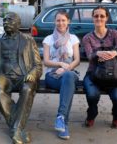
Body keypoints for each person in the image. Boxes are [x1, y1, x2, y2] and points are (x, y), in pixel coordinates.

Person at [0, 12, 42, 144]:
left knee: (27, 90)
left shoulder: (28, 40)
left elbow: (38, 64)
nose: (6, 22)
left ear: (19, 24)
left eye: (10, 20)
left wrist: (33, 74)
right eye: (4, 20)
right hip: (4, 75)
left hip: (23, 76)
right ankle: (17, 128)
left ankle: (16, 129)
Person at [82, 6, 117, 128]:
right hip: (93, 74)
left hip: (113, 75)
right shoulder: (87, 38)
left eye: (102, 16)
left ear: (106, 18)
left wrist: (114, 53)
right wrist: (97, 54)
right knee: (92, 95)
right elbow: (89, 56)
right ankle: (92, 114)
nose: (99, 18)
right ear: (92, 18)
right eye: (96, 16)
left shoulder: (114, 34)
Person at [43, 10, 80, 140]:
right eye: (58, 20)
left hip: (69, 73)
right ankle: (63, 123)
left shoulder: (73, 38)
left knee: (69, 77)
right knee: (68, 84)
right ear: (54, 22)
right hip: (52, 76)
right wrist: (59, 64)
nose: (61, 23)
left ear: (68, 21)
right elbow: (46, 61)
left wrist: (65, 68)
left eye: (63, 20)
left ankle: (61, 117)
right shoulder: (48, 39)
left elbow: (77, 60)